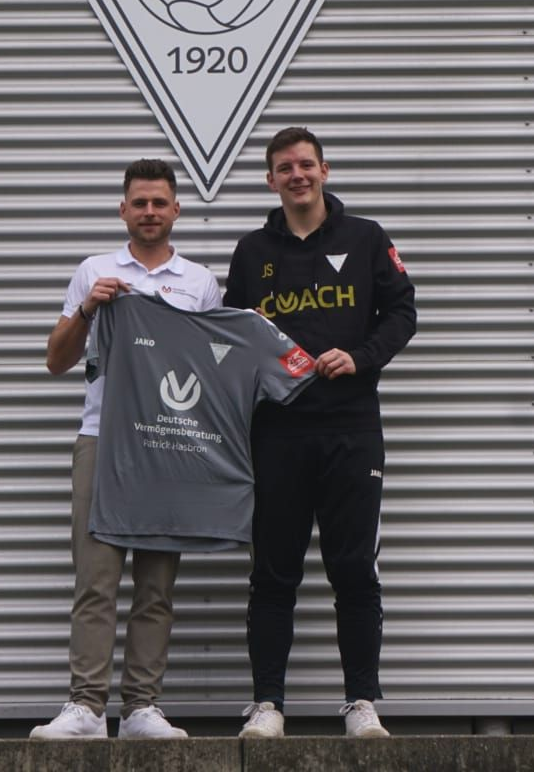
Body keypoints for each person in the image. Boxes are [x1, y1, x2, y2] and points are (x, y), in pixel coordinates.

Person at [223, 126, 417, 740]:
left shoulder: (366, 238)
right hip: (277, 434)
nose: (297, 176)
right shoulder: (252, 251)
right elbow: (233, 335)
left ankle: (361, 702)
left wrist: (360, 357)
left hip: (351, 431)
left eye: (306, 165)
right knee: (273, 574)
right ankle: (267, 705)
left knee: (354, 569)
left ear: (324, 171)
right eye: (285, 168)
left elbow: (403, 313)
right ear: (270, 180)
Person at [34, 159, 222, 740]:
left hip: (169, 444)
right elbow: (56, 360)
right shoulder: (94, 271)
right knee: (96, 579)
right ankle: (87, 708)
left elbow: (215, 369)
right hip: (102, 439)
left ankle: (142, 707)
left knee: (157, 584)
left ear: (176, 210)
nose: (149, 212)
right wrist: (88, 308)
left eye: (159, 202)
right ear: (122, 209)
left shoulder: (200, 283)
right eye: (139, 202)